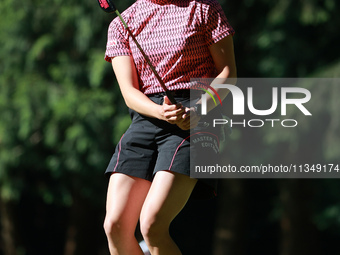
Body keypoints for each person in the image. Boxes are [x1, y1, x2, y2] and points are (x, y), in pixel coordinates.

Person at [103, 0, 237, 254]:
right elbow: (129, 92)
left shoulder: (204, 8)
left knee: (152, 225)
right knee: (115, 226)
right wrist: (160, 112)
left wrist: (198, 110)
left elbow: (228, 74)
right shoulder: (121, 22)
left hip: (197, 113)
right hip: (147, 115)